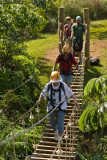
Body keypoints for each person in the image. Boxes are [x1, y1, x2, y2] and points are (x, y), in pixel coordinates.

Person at [36, 71, 78, 143]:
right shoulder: (48, 85)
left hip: (61, 106)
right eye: (54, 82)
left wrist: (74, 99)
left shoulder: (63, 85)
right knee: (52, 122)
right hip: (51, 106)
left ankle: (59, 138)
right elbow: (43, 93)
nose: (55, 83)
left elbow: (70, 92)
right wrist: (39, 100)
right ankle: (55, 131)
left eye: (57, 82)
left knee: (60, 122)